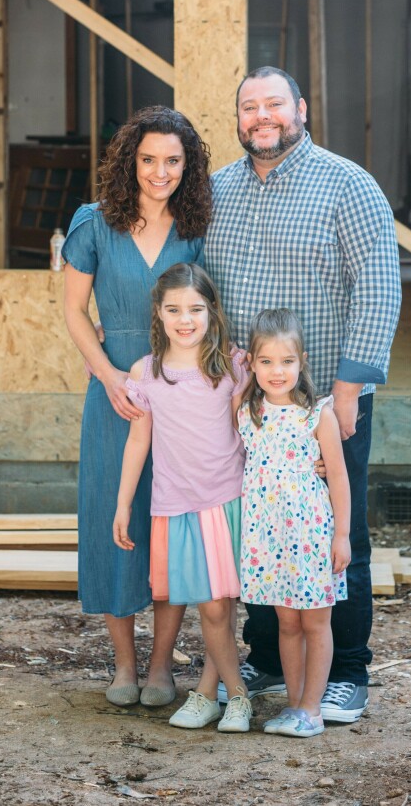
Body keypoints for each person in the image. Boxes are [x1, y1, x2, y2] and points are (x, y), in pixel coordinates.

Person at [204, 66, 402, 723]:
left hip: (323, 404)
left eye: (274, 104)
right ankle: (265, 654)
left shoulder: (349, 186)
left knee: (338, 533)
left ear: (302, 109)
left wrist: (347, 394)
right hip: (250, 409)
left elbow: (377, 290)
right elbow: (201, 294)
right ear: (238, 119)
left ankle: (346, 669)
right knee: (259, 525)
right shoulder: (218, 193)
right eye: (249, 107)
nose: (262, 117)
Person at [62, 106, 211, 709]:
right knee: (112, 522)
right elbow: (73, 312)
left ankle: (160, 668)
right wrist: (110, 378)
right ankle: (123, 665)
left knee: (171, 526)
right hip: (116, 395)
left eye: (173, 161)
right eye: (148, 159)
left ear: (188, 166)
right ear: (130, 160)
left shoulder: (199, 224)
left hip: (184, 399)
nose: (159, 171)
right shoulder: (94, 223)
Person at [113, 263, 253, 733]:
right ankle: (212, 694)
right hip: (175, 504)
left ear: (211, 311)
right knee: (208, 603)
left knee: (218, 606)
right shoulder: (147, 372)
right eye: (174, 309)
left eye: (195, 308)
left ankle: (231, 696)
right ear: (158, 312)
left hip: (225, 498)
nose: (185, 319)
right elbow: (139, 442)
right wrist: (123, 502)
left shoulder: (233, 366)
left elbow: (256, 427)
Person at [238, 309, 351, 737]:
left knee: (315, 621)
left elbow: (338, 475)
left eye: (286, 361)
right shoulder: (248, 412)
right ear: (251, 362)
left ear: (301, 361)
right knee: (286, 622)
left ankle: (313, 708)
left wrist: (342, 535)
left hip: (310, 534)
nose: (277, 370)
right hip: (268, 537)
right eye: (266, 361)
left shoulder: (317, 414)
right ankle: (293, 705)